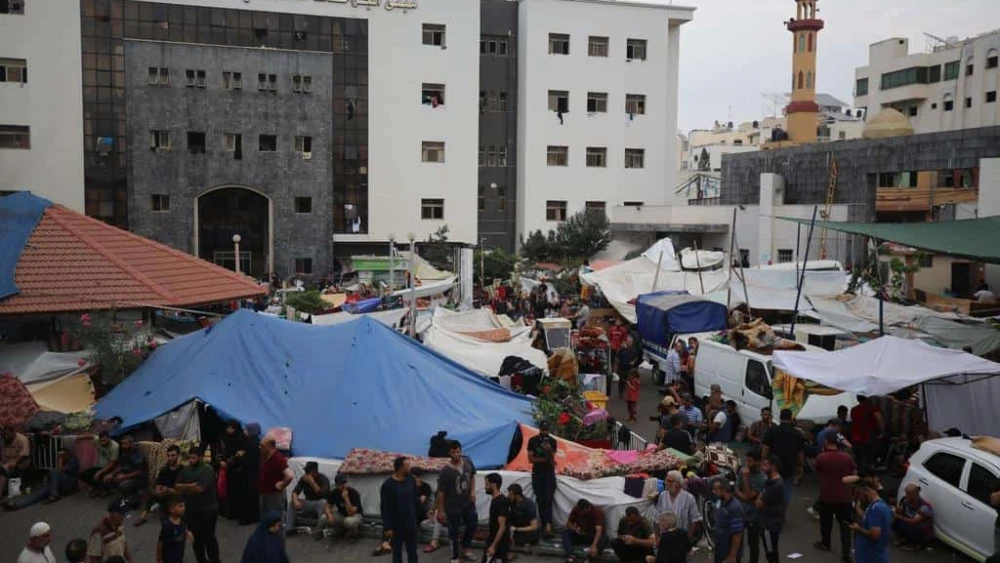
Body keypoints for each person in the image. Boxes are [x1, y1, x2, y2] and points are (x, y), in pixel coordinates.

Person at [813, 433, 856, 562]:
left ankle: (825, 543)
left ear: (826, 442)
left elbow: (817, 471)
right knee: (845, 527)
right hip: (844, 497)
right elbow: (854, 473)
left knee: (826, 522)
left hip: (827, 496)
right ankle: (846, 553)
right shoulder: (847, 458)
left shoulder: (821, 457)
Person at [174, 445, 220, 563]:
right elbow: (177, 486)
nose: (190, 460)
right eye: (189, 458)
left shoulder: (207, 469)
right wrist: (190, 486)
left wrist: (185, 488)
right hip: (191, 510)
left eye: (193, 458)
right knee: (196, 539)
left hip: (207, 510)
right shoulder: (186, 470)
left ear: (200, 457)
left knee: (209, 538)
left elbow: (199, 489)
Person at [437, 441, 478, 563]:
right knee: (453, 531)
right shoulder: (445, 471)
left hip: (468, 503)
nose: (456, 454)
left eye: (458, 451)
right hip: (452, 506)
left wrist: (472, 491)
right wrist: (440, 510)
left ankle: (465, 548)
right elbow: (440, 492)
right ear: (449, 453)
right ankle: (455, 555)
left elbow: (472, 476)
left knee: (472, 523)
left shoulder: (468, 462)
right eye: (453, 452)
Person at [762, 409, 805, 509]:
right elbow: (800, 453)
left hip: (773, 465)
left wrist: (763, 462)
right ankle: (781, 511)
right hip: (790, 466)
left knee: (770, 486)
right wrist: (801, 466)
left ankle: (769, 508)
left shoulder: (772, 430)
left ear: (780, 417)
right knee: (786, 488)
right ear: (791, 418)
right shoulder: (797, 433)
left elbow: (765, 448)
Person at [380, 456, 419, 563]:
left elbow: (415, 499)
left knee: (413, 552)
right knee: (397, 553)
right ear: (400, 468)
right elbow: (384, 507)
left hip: (410, 523)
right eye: (407, 466)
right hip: (396, 526)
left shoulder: (411, 479)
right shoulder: (388, 485)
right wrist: (387, 527)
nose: (410, 468)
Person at [136, 445, 183, 527]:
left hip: (175, 497)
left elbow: (181, 491)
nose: (170, 458)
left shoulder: (182, 471)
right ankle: (143, 517)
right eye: (168, 456)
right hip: (164, 494)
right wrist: (158, 489)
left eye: (173, 455)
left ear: (178, 456)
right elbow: (158, 483)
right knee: (150, 492)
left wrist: (167, 490)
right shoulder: (164, 469)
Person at [849, 475, 892, 563]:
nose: (860, 497)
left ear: (866, 490)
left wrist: (858, 529)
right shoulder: (876, 505)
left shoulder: (876, 509)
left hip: (872, 557)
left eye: (859, 493)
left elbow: (875, 535)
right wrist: (857, 506)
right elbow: (867, 518)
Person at [735, 448, 767, 563]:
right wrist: (748, 500)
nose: (747, 464)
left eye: (750, 461)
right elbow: (737, 490)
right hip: (741, 512)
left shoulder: (762, 478)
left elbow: (749, 494)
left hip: (755, 516)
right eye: (746, 461)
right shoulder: (742, 471)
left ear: (758, 462)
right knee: (737, 541)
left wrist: (745, 478)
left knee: (753, 543)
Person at [654, 470, 702, 544]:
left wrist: (687, 539)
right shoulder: (663, 496)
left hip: (681, 538)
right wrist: (657, 538)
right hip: (665, 537)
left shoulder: (689, 498)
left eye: (670, 481)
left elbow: (695, 520)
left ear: (678, 483)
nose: (666, 483)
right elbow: (657, 517)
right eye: (666, 480)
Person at [527, 422, 557, 537]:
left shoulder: (553, 441)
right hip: (538, 473)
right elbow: (530, 459)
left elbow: (553, 459)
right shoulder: (533, 440)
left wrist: (549, 450)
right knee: (540, 499)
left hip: (549, 473)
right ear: (539, 429)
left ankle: (548, 525)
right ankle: (543, 524)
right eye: (543, 429)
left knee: (548, 498)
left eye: (546, 430)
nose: (544, 432)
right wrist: (546, 459)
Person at [285, 461, 330, 533]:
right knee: (292, 502)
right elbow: (295, 492)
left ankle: (320, 527)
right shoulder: (303, 478)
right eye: (306, 471)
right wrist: (296, 501)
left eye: (308, 471)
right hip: (308, 503)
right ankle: (289, 527)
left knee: (323, 502)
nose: (306, 473)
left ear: (315, 471)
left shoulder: (323, 479)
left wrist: (312, 482)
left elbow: (324, 495)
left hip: (318, 504)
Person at [756, 456, 786, 563]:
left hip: (770, 525)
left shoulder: (775, 485)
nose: (762, 468)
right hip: (769, 522)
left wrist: (761, 495)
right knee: (771, 551)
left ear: (773, 466)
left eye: (765, 465)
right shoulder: (770, 481)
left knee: (771, 553)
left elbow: (759, 504)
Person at [103, 435, 147, 505]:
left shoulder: (138, 453)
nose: (123, 446)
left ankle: (133, 497)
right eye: (122, 444)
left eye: (125, 444)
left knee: (123, 485)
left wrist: (124, 477)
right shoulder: (125, 452)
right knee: (108, 478)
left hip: (138, 478)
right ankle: (126, 496)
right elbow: (120, 466)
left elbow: (139, 472)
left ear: (131, 443)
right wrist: (112, 474)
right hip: (127, 475)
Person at [258, 436, 293, 520]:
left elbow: (290, 475)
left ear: (270, 446)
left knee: (275, 521)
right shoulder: (264, 456)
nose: (259, 447)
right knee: (265, 521)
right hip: (264, 493)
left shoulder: (278, 458)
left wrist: (282, 485)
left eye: (262, 446)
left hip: (274, 496)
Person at [891, 484, 934, 552]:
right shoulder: (907, 501)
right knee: (895, 522)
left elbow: (914, 521)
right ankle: (905, 539)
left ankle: (915, 545)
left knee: (912, 526)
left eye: (909, 494)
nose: (907, 496)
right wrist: (896, 509)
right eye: (906, 494)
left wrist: (898, 516)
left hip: (922, 531)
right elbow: (901, 510)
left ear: (915, 495)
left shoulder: (924, 507)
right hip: (911, 524)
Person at [711, 480, 744, 563]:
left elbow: (737, 534)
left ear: (723, 490)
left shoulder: (735, 507)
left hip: (728, 549)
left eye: (715, 489)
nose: (713, 492)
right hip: (720, 547)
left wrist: (732, 556)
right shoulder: (720, 501)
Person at [323, 474, 362, 540]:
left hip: (355, 515)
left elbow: (351, 513)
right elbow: (327, 506)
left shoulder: (354, 492)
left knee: (350, 522)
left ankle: (353, 535)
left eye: (344, 483)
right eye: (340, 484)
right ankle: (341, 530)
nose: (343, 485)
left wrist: (346, 499)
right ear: (336, 485)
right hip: (341, 514)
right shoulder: (334, 493)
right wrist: (330, 516)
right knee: (324, 517)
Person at [850, 396, 883, 471]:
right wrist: (881, 431)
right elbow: (879, 418)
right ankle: (871, 472)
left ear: (857, 399)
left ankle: (861, 472)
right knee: (870, 456)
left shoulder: (853, 409)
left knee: (861, 456)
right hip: (869, 436)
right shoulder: (872, 408)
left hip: (856, 437)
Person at [484, 473, 511, 563]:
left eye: (487, 484)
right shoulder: (495, 500)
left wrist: (493, 545)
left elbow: (502, 527)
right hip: (493, 539)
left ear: (494, 485)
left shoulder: (501, 502)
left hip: (499, 543)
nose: (485, 487)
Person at [157, 497, 191, 563]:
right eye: (180, 506)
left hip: (179, 554)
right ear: (172, 509)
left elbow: (184, 527)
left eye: (184, 506)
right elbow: (160, 542)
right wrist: (158, 559)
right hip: (170, 558)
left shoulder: (182, 519)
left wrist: (188, 532)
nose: (183, 508)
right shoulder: (168, 526)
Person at [1, 425, 31, 498]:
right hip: (6, 461)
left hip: (19, 461)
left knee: (2, 471)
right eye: (5, 434)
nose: (6, 436)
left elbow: (23, 454)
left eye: (7, 434)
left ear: (13, 432)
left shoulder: (22, 439)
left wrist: (13, 463)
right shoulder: (5, 439)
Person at [609, 319, 629, 389]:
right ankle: (612, 373)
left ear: (621, 323)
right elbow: (610, 337)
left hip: (619, 348)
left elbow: (624, 339)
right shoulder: (612, 329)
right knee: (611, 360)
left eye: (619, 322)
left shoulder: (623, 330)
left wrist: (622, 346)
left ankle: (616, 373)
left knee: (617, 361)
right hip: (612, 347)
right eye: (617, 322)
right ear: (615, 323)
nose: (617, 323)